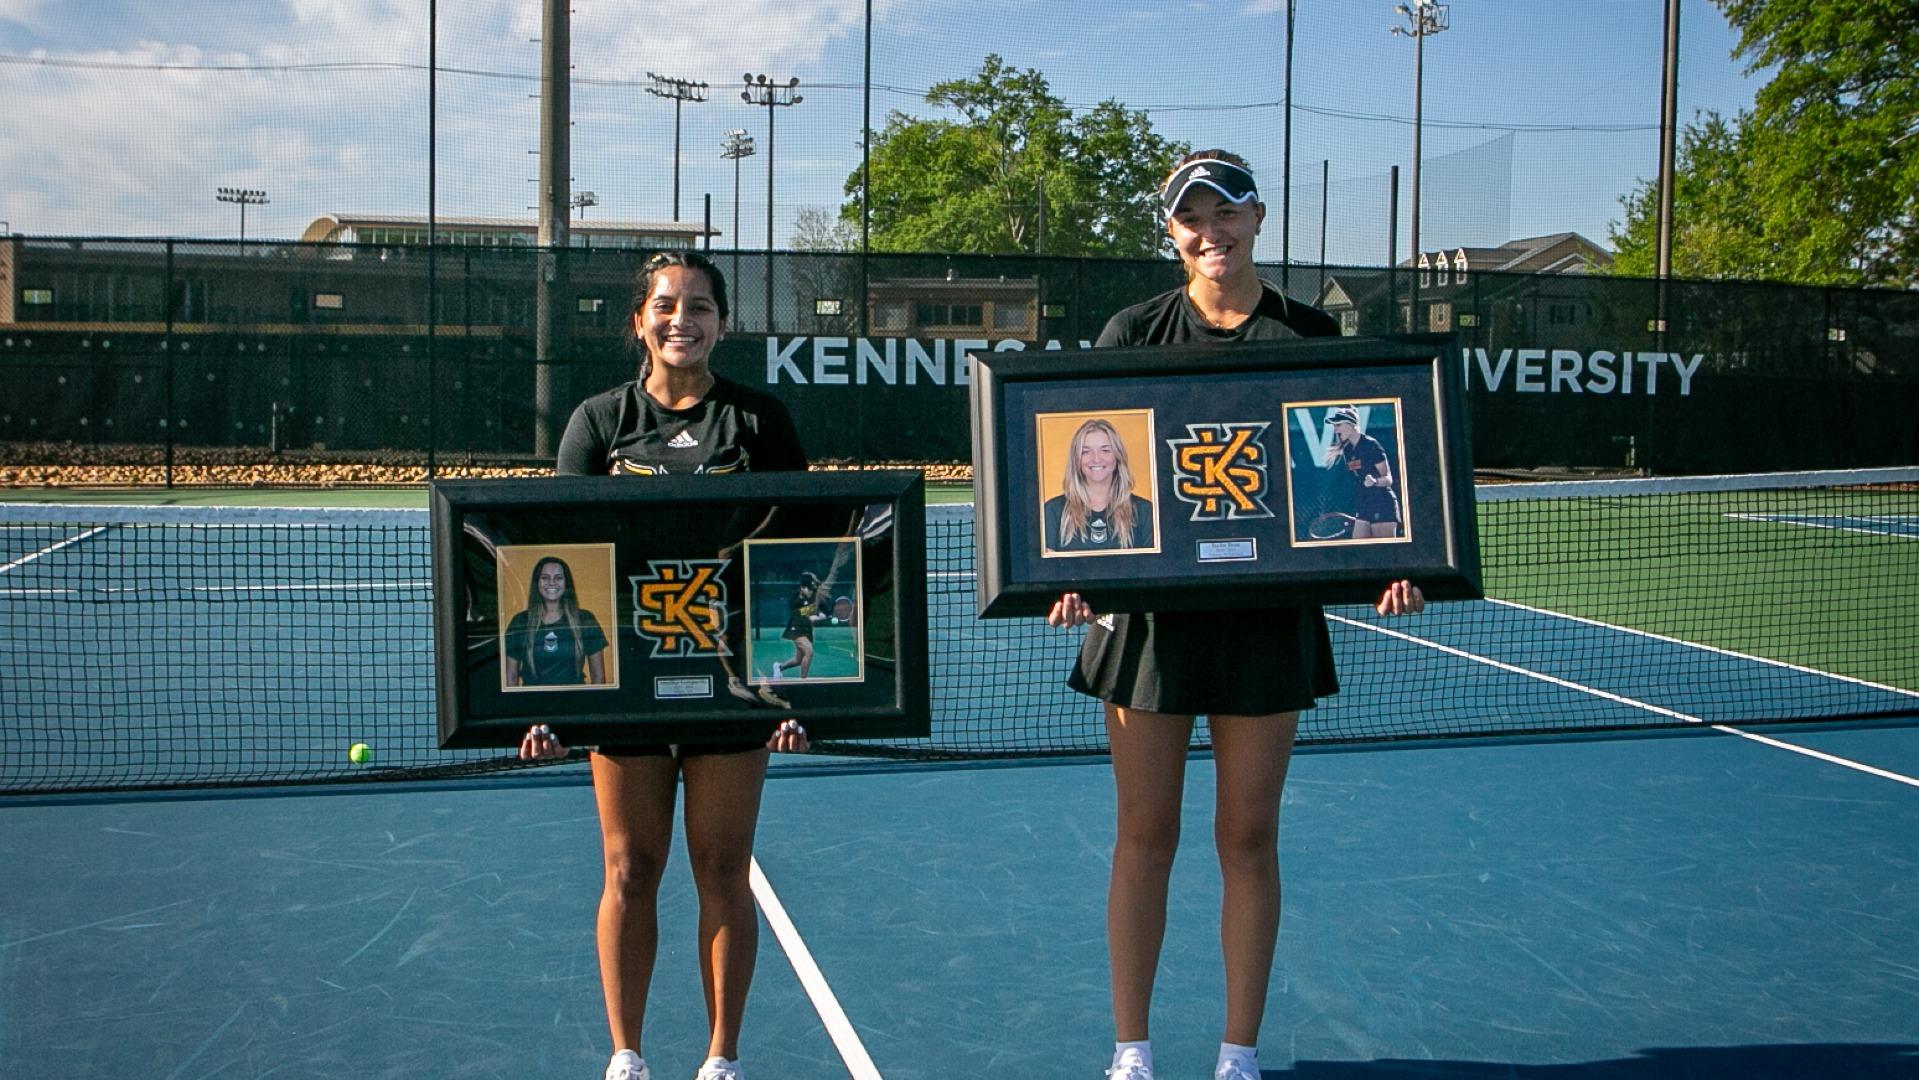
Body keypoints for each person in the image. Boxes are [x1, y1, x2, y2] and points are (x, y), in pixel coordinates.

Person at [1047, 150, 1426, 1080]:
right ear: (1170, 232)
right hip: (1149, 629)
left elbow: (1361, 469)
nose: (1210, 232)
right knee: (1145, 836)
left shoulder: (1310, 331)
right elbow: (1085, 463)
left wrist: (1396, 560)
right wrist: (1066, 571)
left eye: (1228, 213)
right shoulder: (1133, 329)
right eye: (1192, 218)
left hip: (1265, 620)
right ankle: (1131, 1048)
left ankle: (1236, 1052)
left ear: (1257, 218)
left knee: (1247, 839)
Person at [521, 250, 810, 1080]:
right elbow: (554, 557)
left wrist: (798, 686)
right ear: (639, 321)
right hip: (626, 681)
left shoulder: (760, 422)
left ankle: (721, 1059)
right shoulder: (598, 422)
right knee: (630, 867)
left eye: (700, 306)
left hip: (733, 682)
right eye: (666, 305)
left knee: (722, 867)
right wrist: (537, 702)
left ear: (724, 322)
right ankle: (627, 1056)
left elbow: (795, 553)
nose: (682, 319)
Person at [1043, 417, 1156, 553]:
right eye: (1086, 451)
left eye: (1105, 450)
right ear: (1076, 459)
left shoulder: (1144, 511)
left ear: (1118, 456)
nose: (1096, 458)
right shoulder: (1052, 511)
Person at [503, 555, 609, 687]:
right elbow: (510, 678)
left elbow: (598, 676)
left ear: (566, 583)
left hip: (574, 702)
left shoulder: (585, 619)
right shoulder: (520, 621)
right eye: (545, 578)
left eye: (558, 578)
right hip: (530, 703)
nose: (551, 582)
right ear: (537, 583)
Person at [1320, 406, 1402, 539]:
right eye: (1334, 426)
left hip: (1382, 503)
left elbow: (1388, 479)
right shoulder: (1348, 450)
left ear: (1351, 425)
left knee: (1382, 553)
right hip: (1364, 504)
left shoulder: (1371, 445)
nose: (1335, 429)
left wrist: (1374, 481)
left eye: (1338, 425)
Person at [770, 572, 825, 679]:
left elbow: (818, 591)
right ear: (803, 587)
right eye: (807, 588)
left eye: (811, 587)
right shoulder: (796, 598)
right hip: (796, 628)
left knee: (798, 660)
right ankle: (804, 680)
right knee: (809, 651)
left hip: (806, 630)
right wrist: (816, 613)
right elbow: (799, 612)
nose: (809, 590)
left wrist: (820, 614)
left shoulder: (814, 593)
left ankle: (779, 667)